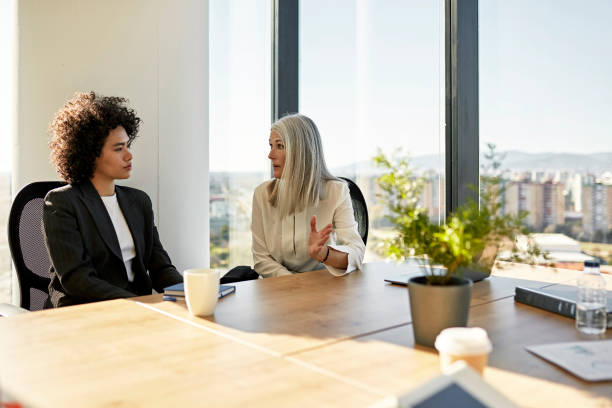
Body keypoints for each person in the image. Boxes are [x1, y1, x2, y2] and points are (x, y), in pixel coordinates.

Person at [43, 92, 183, 308]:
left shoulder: (139, 201)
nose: (129, 156)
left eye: (128, 145)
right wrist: (138, 303)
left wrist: (191, 291)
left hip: (138, 312)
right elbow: (77, 280)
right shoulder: (62, 203)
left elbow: (160, 267)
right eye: (119, 148)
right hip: (83, 313)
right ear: (90, 154)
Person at [251, 113, 365, 277]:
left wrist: (324, 253)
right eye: (271, 146)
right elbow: (261, 259)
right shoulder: (262, 194)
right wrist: (293, 284)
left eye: (280, 146)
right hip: (278, 289)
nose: (270, 155)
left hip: (322, 287)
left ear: (301, 151)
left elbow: (357, 252)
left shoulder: (337, 191)